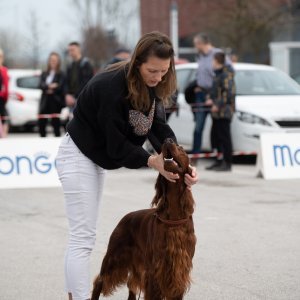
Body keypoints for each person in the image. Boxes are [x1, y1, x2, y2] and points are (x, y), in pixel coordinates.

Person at [56, 31, 198, 300]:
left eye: (164, 71)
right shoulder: (111, 86)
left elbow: (159, 129)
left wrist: (179, 163)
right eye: (152, 70)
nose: (157, 77)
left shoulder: (154, 87)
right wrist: (151, 161)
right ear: (136, 64)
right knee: (83, 238)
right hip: (77, 154)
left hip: (96, 159)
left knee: (85, 235)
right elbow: (116, 146)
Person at [191, 33, 230, 154]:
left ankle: (218, 153)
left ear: (201, 43)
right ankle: (196, 154)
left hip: (214, 95)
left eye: (195, 44)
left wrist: (215, 91)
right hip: (201, 94)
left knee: (217, 128)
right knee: (198, 126)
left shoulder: (217, 54)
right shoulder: (200, 56)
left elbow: (229, 72)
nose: (195, 47)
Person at [206, 52, 235, 171]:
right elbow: (215, 91)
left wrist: (217, 105)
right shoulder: (217, 75)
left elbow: (228, 93)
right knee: (215, 138)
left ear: (217, 61)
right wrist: (210, 98)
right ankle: (218, 160)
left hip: (224, 112)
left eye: (213, 61)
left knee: (225, 138)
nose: (211, 63)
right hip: (216, 113)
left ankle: (227, 163)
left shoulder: (226, 75)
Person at [38, 52, 65, 137]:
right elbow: (40, 85)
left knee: (56, 124)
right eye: (51, 60)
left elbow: (60, 86)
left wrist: (50, 87)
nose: (53, 62)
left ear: (58, 62)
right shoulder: (45, 73)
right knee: (41, 123)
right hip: (45, 102)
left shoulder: (61, 74)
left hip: (55, 102)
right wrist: (50, 86)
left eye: (55, 60)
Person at [65, 42, 94, 113]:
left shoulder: (86, 64)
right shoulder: (70, 65)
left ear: (79, 50)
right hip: (71, 99)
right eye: (69, 50)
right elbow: (67, 81)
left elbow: (87, 82)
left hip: (82, 98)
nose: (70, 52)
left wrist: (75, 96)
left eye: (72, 50)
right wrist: (67, 95)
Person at [0, 48, 9, 138]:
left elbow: (6, 87)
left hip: (1, 99)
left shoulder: (4, 71)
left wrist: (5, 98)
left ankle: (3, 136)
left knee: (4, 118)